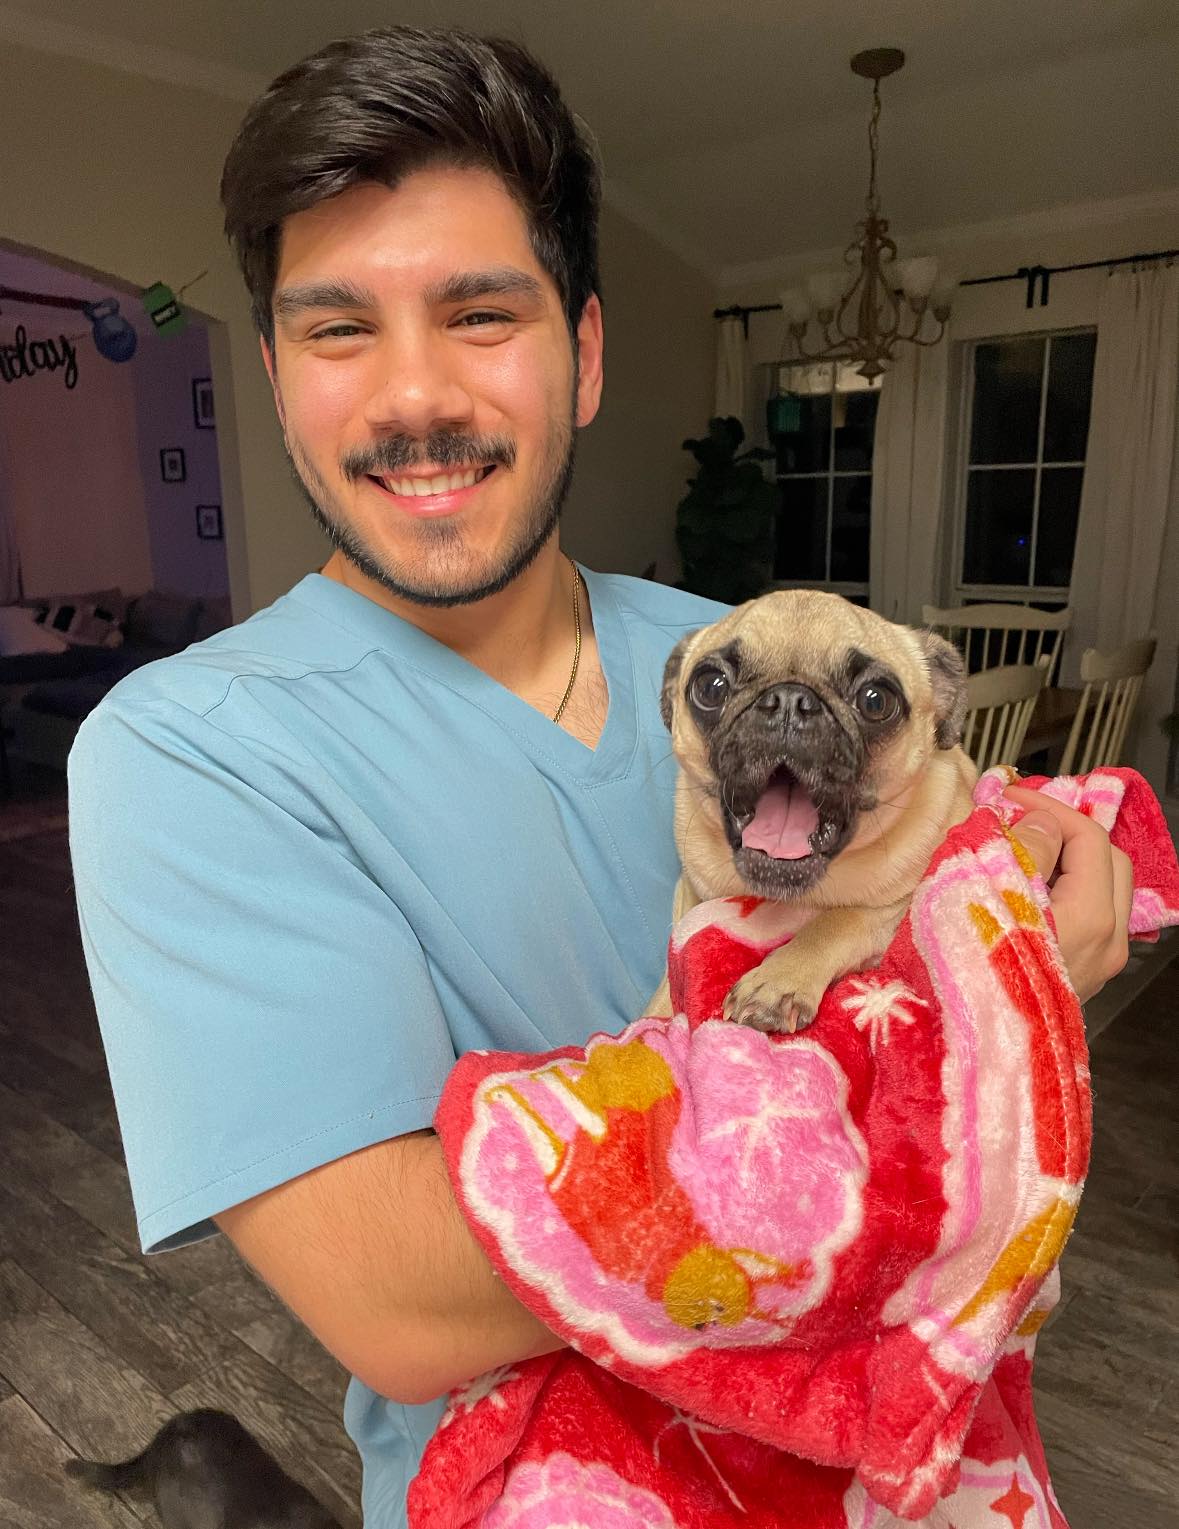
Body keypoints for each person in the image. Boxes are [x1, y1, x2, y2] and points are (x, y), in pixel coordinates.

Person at [67, 26, 1132, 1529]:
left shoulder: (725, 661)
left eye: (480, 313)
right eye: (338, 329)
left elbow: (975, 840)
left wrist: (1021, 892)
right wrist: (984, 1026)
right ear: (274, 368)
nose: (413, 396)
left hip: (897, 1452)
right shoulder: (187, 753)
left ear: (586, 352)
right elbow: (406, 1299)